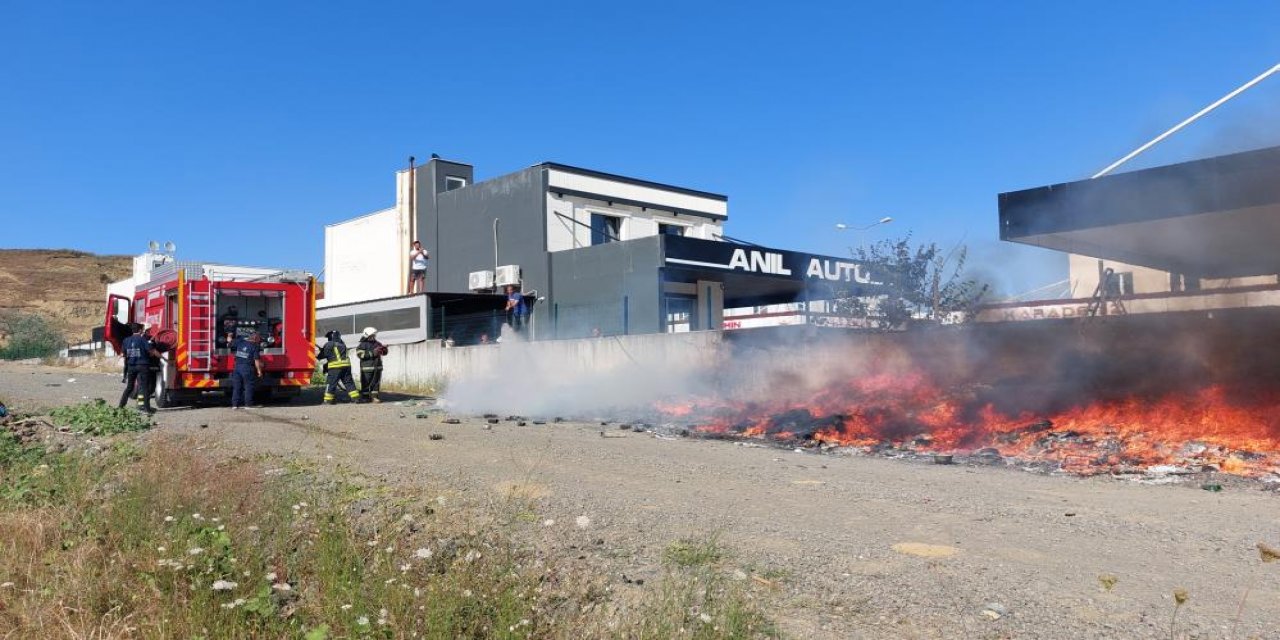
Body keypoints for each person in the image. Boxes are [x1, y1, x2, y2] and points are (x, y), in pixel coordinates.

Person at [118, 323, 159, 413]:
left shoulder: (126, 340)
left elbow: (123, 354)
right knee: (144, 387)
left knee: (129, 387)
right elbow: (151, 351)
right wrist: (159, 356)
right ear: (140, 330)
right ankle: (147, 409)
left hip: (131, 366)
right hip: (143, 366)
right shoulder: (143, 340)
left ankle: (120, 407)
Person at [317, 330, 361, 405]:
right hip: (346, 366)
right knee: (348, 382)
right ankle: (356, 398)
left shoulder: (329, 344)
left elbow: (321, 356)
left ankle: (328, 400)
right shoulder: (342, 344)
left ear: (331, 337)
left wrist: (321, 351)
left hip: (335, 368)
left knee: (331, 383)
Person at [229, 332, 264, 409]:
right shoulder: (254, 347)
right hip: (247, 368)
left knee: (237, 387)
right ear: (255, 339)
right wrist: (259, 371)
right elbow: (256, 360)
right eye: (259, 339)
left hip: (237, 368)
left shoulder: (240, 343)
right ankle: (248, 405)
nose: (259, 341)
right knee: (248, 386)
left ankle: (235, 405)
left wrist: (229, 335)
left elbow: (230, 341)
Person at [356, 326, 388, 403]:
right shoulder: (362, 345)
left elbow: (384, 353)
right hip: (367, 369)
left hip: (377, 368)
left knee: (376, 383)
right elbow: (360, 355)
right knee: (365, 383)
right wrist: (373, 353)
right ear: (367, 335)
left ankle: (374, 397)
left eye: (374, 335)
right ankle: (365, 397)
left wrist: (384, 349)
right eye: (372, 335)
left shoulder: (378, 343)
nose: (373, 337)